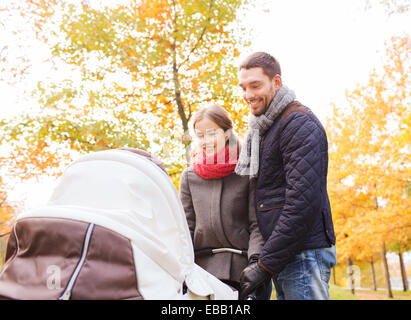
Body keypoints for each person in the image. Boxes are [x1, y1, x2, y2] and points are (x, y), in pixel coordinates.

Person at [236, 52, 337, 300]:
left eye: (256, 85)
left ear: (277, 83)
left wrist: (265, 265)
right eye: (243, 87)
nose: (248, 95)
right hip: (284, 254)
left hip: (303, 253)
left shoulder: (297, 124)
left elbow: (301, 204)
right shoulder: (266, 129)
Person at [179, 104, 271, 299]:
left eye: (212, 134)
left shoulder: (247, 172)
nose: (206, 141)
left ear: (227, 134)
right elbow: (186, 228)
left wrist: (255, 264)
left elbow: (257, 224)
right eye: (200, 135)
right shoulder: (189, 177)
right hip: (202, 274)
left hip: (244, 271)